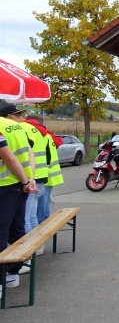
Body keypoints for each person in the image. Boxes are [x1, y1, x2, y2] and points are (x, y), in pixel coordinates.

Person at [0, 112, 37, 295]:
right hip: (19, 186)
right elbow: (30, 153)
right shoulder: (17, 126)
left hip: (5, 186)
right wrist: (29, 178)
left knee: (1, 232)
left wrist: (24, 181)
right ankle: (12, 275)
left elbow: (9, 158)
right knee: (17, 230)